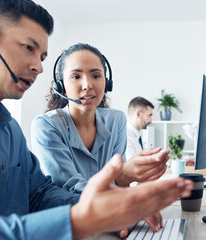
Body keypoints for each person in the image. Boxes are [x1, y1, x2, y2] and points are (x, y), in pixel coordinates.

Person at [0, 1, 194, 239]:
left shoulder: (10, 131)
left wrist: (107, 209)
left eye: (42, 56)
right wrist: (78, 220)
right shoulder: (44, 125)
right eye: (28, 48)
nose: (39, 67)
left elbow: (39, 194)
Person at [31, 43, 170, 194]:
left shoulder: (116, 120)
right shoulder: (46, 126)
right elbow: (70, 189)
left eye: (96, 76)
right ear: (61, 85)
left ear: (107, 83)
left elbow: (120, 188)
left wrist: (141, 185)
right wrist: (122, 177)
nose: (87, 85)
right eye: (76, 76)